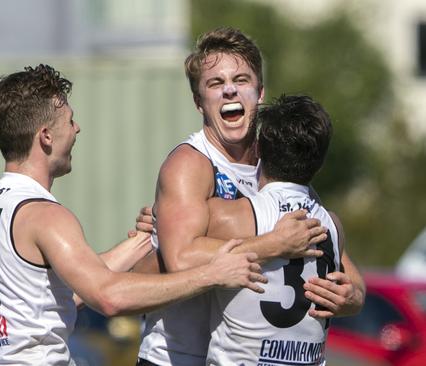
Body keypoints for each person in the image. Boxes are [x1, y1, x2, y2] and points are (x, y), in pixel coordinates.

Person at [0, 64, 268, 365]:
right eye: (70, 120)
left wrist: (153, 236)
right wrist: (212, 273)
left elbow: (66, 292)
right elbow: (107, 295)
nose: (77, 128)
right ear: (45, 137)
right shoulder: (44, 216)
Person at [135, 27, 365, 366]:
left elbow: (340, 260)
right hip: (176, 356)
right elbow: (181, 257)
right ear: (199, 102)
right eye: (215, 83)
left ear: (259, 93)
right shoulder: (190, 164)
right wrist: (271, 244)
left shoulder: (277, 167)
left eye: (241, 80)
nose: (229, 89)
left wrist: (351, 297)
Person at [204, 94, 342, 364]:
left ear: (257, 150)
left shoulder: (230, 216)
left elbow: (173, 258)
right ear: (321, 163)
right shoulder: (332, 224)